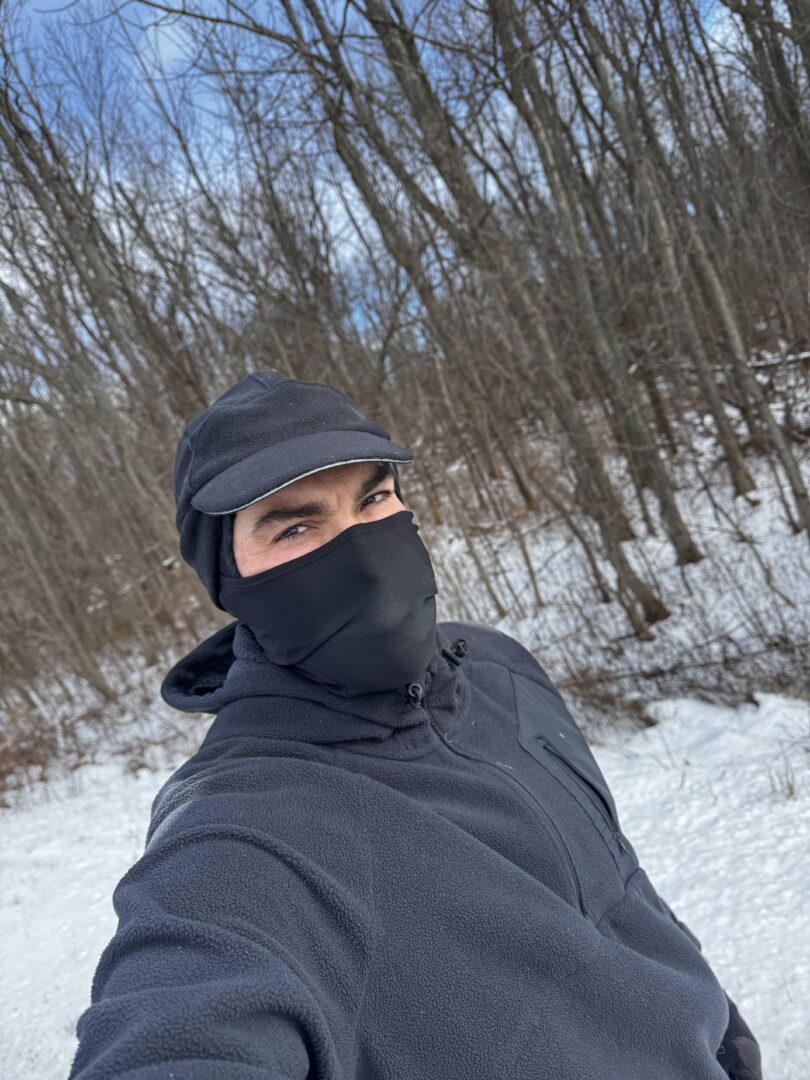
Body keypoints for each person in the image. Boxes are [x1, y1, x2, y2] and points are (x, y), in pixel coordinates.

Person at [69, 370, 762, 1079]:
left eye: (374, 497)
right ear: (228, 577)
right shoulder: (244, 835)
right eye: (296, 525)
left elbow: (619, 880)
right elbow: (181, 1022)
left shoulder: (501, 668)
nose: (363, 552)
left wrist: (730, 1041)